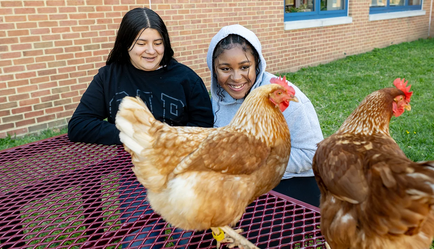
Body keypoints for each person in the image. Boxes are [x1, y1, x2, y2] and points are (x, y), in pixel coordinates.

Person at [67, 7, 213, 248]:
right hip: (135, 177)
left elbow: (205, 126)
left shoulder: (186, 78)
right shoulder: (109, 77)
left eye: (158, 42)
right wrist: (133, 136)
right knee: (139, 243)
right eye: (141, 42)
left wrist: (169, 141)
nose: (151, 50)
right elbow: (79, 125)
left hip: (184, 176)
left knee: (191, 242)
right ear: (126, 43)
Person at [207, 24, 324, 207]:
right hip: (245, 181)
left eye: (245, 67)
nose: (236, 78)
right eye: (226, 69)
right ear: (214, 69)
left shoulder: (283, 97)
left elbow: (312, 154)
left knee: (250, 230)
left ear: (257, 65)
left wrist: (257, 163)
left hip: (293, 181)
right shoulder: (218, 99)